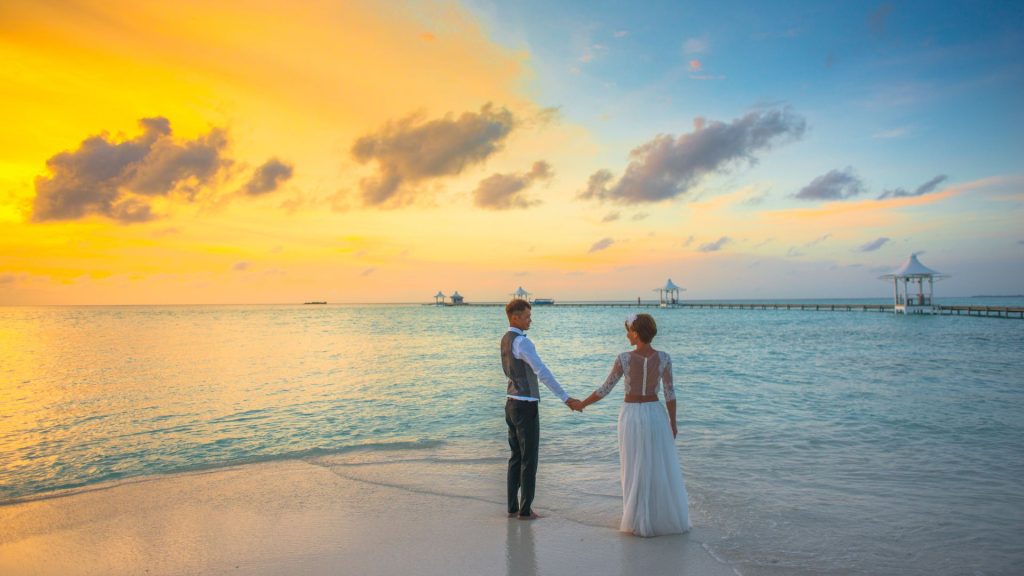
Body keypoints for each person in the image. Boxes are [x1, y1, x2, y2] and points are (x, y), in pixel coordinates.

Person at [577, 313, 690, 537]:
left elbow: (605, 389)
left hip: (631, 415)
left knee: (633, 465)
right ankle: (657, 517)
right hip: (655, 415)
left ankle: (636, 517)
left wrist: (582, 404)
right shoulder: (665, 358)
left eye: (628, 330)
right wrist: (673, 422)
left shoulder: (624, 358)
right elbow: (670, 393)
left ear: (636, 333)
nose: (627, 334)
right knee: (655, 466)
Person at [502, 298, 581, 520]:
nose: (530, 320)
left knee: (515, 457)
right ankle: (526, 510)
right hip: (525, 405)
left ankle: (512, 507)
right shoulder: (522, 342)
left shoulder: (505, 340)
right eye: (527, 316)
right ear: (515, 317)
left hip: (510, 403)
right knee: (529, 459)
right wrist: (565, 398)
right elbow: (542, 371)